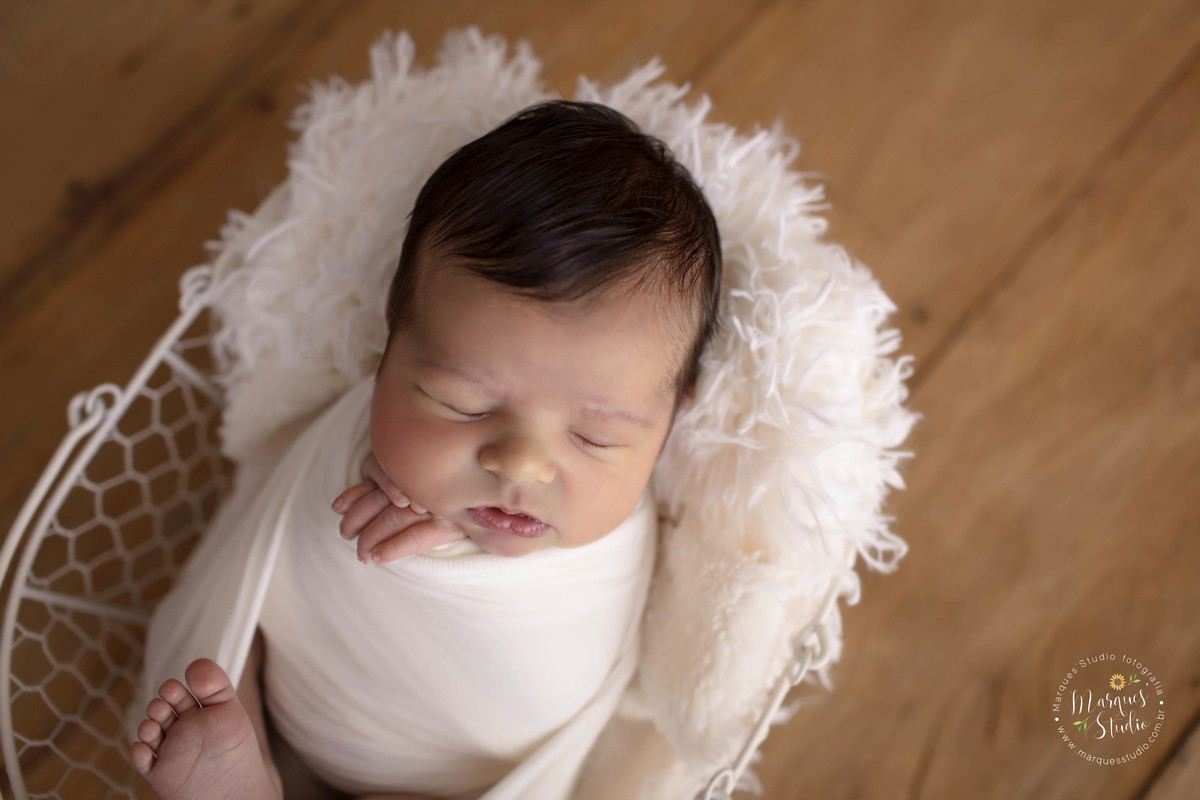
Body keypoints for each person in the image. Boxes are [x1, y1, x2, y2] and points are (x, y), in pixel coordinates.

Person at [127, 99, 722, 800]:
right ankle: (243, 772)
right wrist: (427, 505)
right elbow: (294, 516)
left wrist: (461, 545)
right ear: (392, 335)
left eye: (596, 436)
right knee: (235, 641)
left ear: (672, 416)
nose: (521, 465)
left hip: (475, 782)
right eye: (462, 402)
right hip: (297, 728)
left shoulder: (617, 545)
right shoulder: (364, 449)